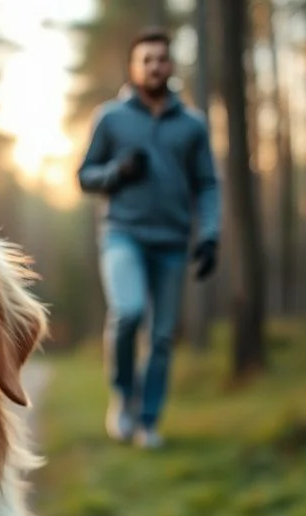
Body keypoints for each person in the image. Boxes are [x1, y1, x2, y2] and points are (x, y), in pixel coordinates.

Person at [77, 26, 220, 449]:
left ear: (171, 66)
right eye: (147, 60)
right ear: (134, 67)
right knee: (130, 311)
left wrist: (210, 234)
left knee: (161, 336)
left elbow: (208, 183)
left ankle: (148, 421)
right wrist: (116, 172)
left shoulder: (192, 125)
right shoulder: (111, 118)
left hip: (173, 241)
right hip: (123, 234)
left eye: (162, 59)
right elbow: (84, 176)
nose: (155, 66)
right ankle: (123, 397)